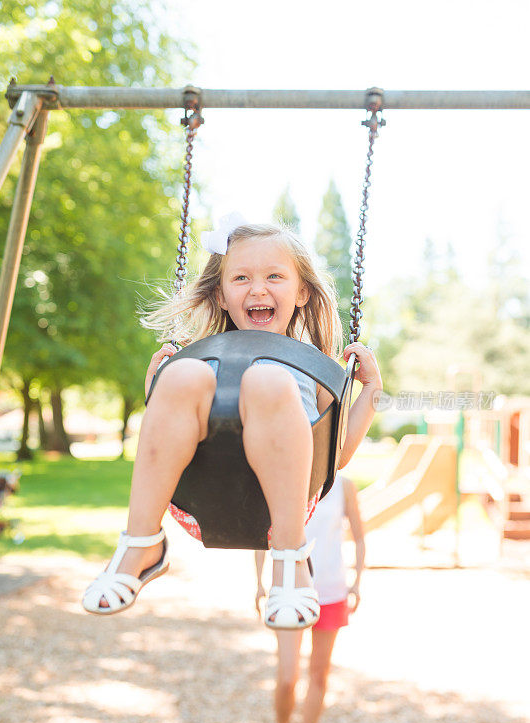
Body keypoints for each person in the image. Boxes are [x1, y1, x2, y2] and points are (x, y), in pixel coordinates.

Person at [82, 214, 381, 629]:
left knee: (268, 379)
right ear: (221, 295)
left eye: (275, 276)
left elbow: (336, 456)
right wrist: (160, 386)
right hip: (199, 497)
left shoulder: (314, 371)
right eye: (241, 278)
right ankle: (142, 542)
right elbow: (163, 431)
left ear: (302, 293)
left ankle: (290, 559)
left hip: (284, 511)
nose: (258, 288)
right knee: (184, 374)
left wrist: (369, 391)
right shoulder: (200, 361)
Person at [253, 471, 365, 723]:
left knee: (319, 674)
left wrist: (356, 583)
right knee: (288, 676)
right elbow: (264, 534)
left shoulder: (344, 485)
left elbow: (358, 535)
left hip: (331, 591)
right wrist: (260, 583)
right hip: (290, 590)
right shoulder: (283, 476)